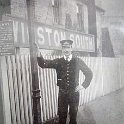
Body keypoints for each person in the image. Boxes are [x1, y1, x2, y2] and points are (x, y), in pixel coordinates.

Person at [36, 40, 93, 124]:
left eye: (68, 47)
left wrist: (83, 85)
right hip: (62, 93)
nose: (66, 50)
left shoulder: (77, 61)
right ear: (62, 49)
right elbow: (43, 64)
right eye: (64, 47)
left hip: (74, 93)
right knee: (62, 117)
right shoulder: (58, 61)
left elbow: (89, 73)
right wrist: (38, 52)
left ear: (71, 49)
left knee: (73, 117)